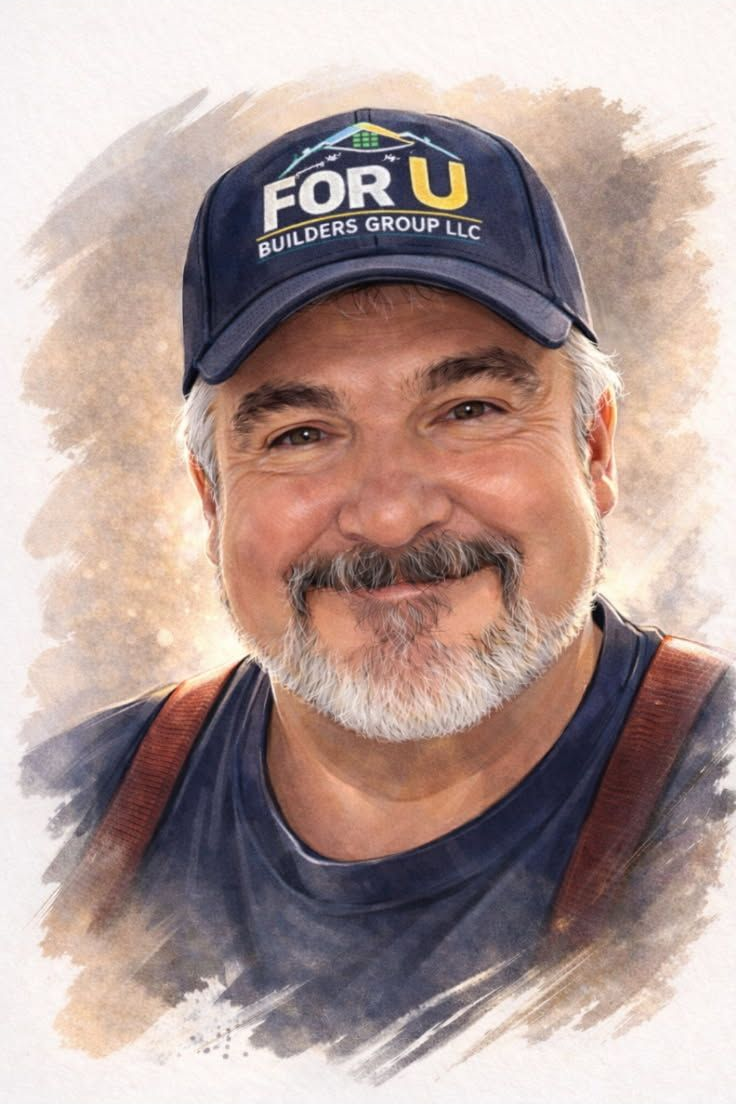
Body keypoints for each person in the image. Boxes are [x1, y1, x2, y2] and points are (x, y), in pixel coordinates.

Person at [25, 108, 734, 1070]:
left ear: (594, 444)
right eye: (300, 434)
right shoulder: (59, 830)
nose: (391, 514)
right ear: (210, 494)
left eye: (469, 410)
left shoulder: (713, 807)